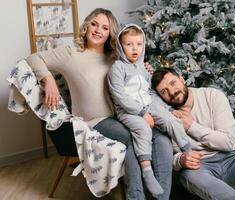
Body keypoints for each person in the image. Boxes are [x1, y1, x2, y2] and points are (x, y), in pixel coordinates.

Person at [25, 8, 172, 200]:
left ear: (110, 33)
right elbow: (33, 58)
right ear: (86, 25)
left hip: (121, 115)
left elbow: (131, 81)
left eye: (105, 27)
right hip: (95, 120)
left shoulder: (115, 57)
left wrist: (142, 68)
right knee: (133, 138)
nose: (98, 30)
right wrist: (48, 79)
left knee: (161, 138)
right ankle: (136, 196)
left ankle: (162, 196)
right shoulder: (71, 53)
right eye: (94, 24)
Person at [151, 68, 235, 200]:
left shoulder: (212, 96)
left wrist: (191, 126)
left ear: (182, 79)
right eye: (164, 91)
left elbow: (228, 142)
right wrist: (180, 159)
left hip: (230, 160)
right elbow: (166, 157)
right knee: (188, 176)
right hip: (200, 169)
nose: (172, 92)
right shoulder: (165, 117)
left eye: (173, 83)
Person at [107, 24, 191, 198]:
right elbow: (119, 97)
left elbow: (150, 92)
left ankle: (187, 149)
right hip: (128, 111)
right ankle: (147, 171)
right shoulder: (117, 68)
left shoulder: (143, 69)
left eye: (138, 44)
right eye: (129, 44)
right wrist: (141, 113)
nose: (134, 48)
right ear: (121, 47)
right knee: (143, 129)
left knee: (169, 119)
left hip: (147, 105)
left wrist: (165, 109)